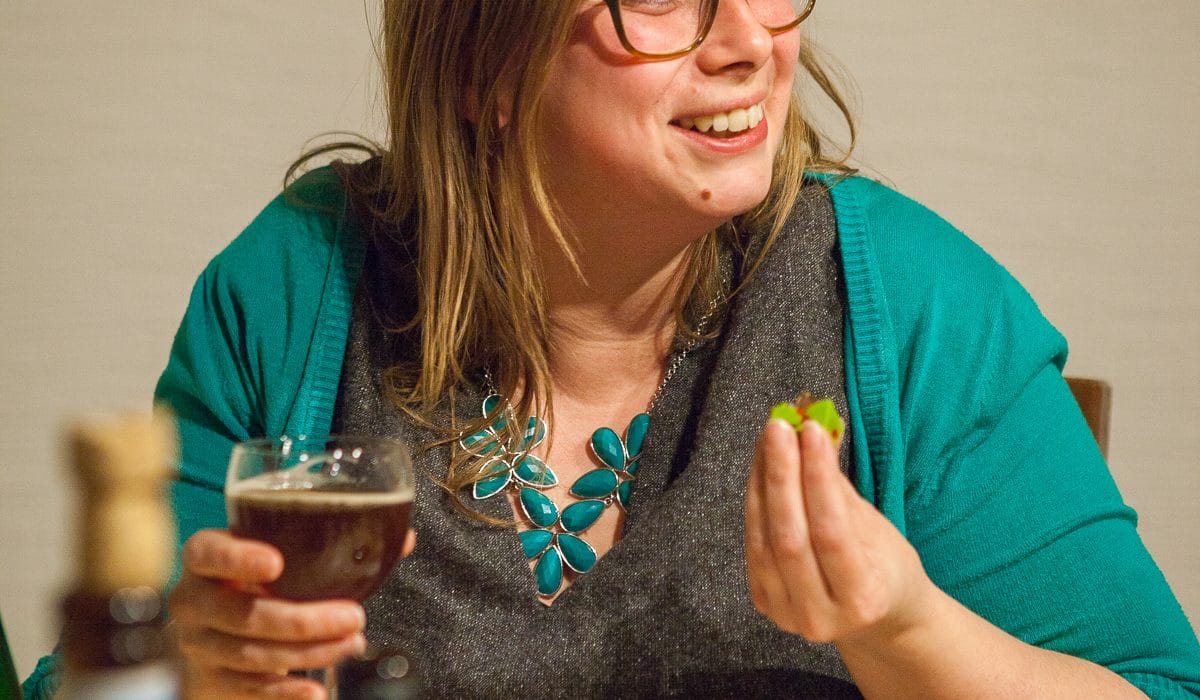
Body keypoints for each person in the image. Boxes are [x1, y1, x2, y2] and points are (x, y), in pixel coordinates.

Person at [25, 1, 1200, 698]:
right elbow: (90, 680)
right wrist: (187, 666)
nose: (748, 42)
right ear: (484, 62)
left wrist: (903, 628)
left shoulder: (911, 300)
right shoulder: (293, 288)